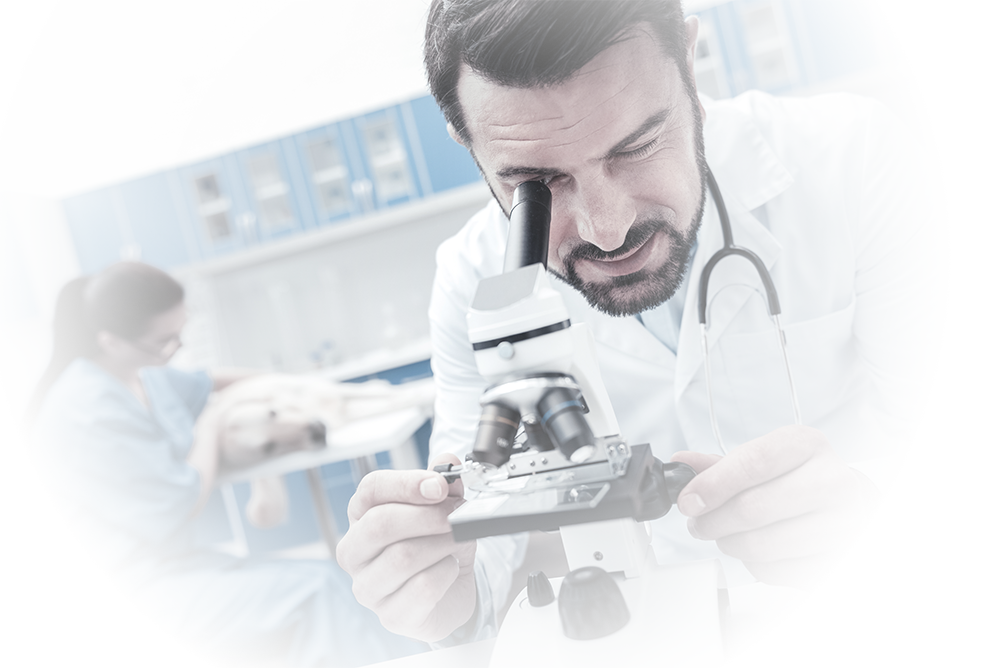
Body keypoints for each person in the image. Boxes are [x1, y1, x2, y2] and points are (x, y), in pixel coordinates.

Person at [335, 0, 949, 647]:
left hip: (871, 607)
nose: (609, 229)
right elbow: (475, 518)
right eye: (538, 183)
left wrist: (884, 506)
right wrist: (444, 591)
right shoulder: (471, 274)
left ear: (688, 63)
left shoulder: (851, 159)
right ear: (469, 144)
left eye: (637, 146)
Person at [13, 261, 427, 668]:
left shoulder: (143, 374)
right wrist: (212, 421)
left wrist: (299, 390)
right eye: (165, 341)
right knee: (316, 593)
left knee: (336, 580)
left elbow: (211, 380)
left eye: (180, 334)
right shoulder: (83, 411)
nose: (176, 349)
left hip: (163, 572)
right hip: (109, 606)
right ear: (111, 342)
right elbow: (182, 499)